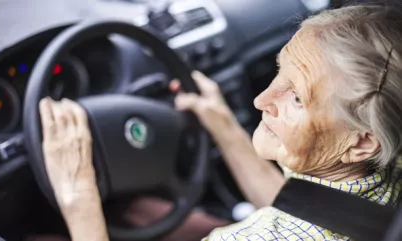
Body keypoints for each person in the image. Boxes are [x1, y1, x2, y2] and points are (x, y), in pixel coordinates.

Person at [35, 5, 402, 241]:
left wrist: (79, 197)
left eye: (296, 98)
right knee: (138, 211)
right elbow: (305, 206)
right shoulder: (375, 172)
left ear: (361, 143)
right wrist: (224, 125)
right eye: (280, 71)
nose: (261, 100)